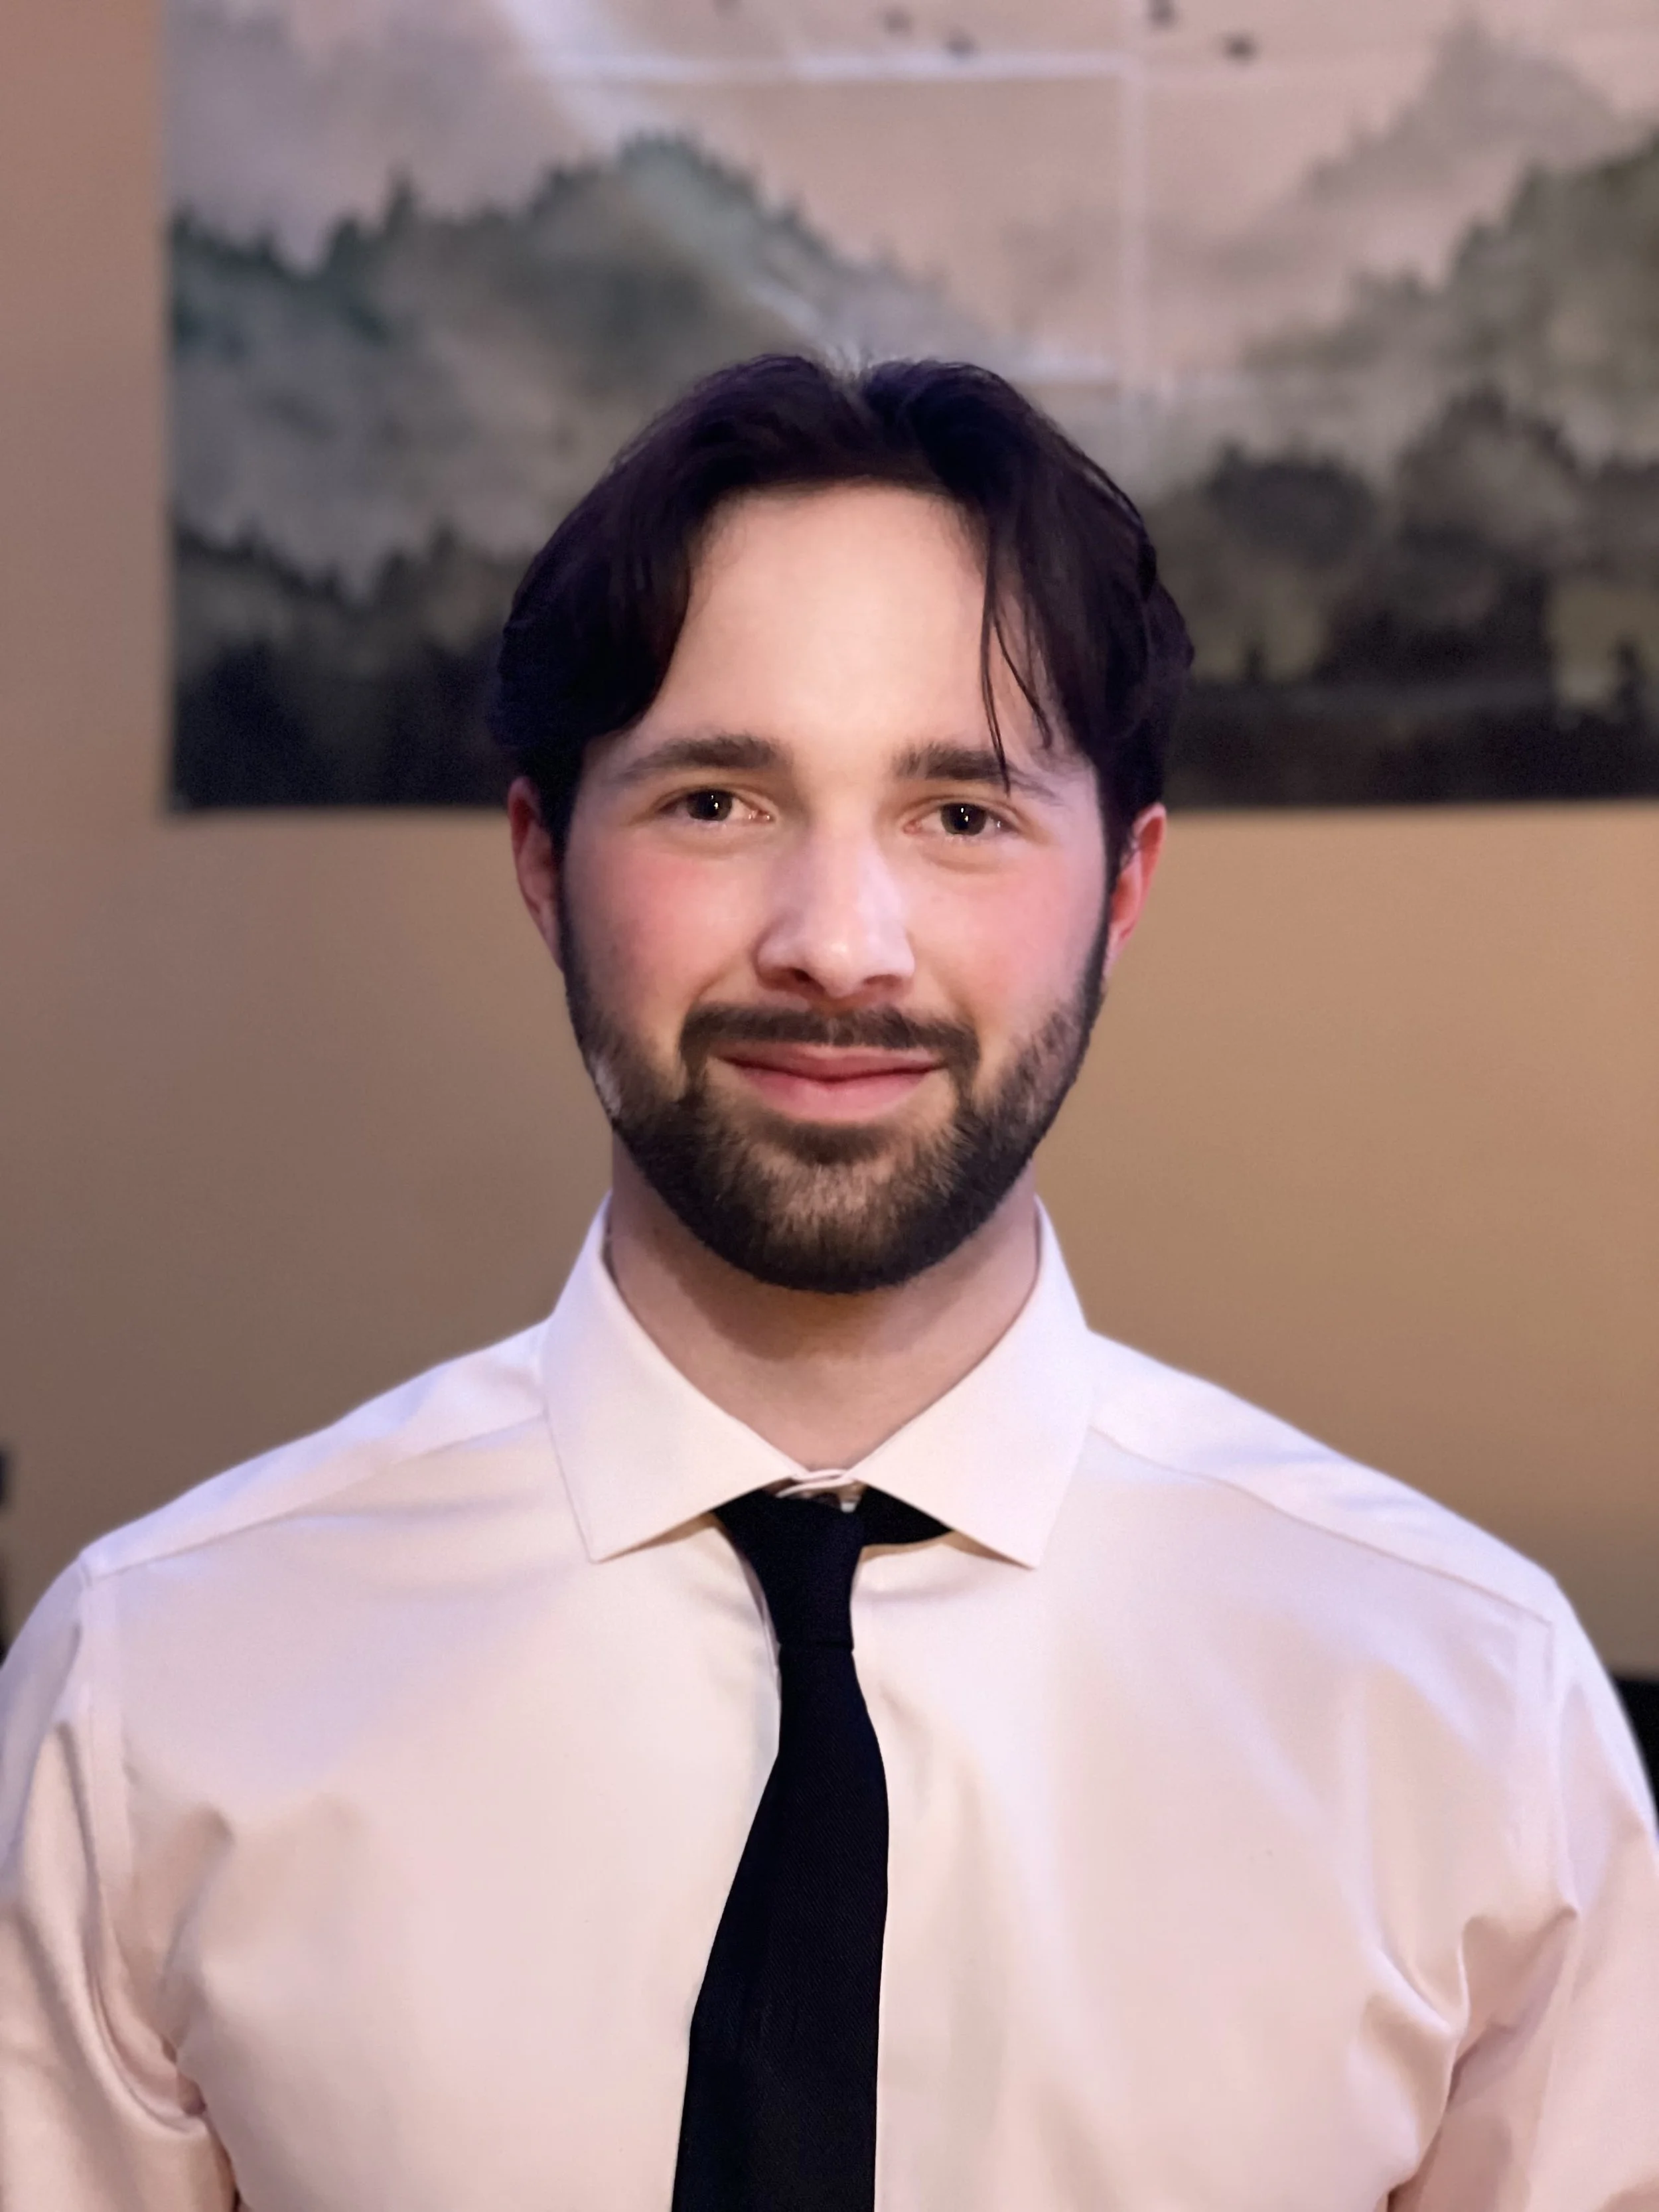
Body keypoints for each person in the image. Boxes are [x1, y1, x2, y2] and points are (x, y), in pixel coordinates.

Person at [2, 356, 1656, 2212]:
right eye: (717, 801)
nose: (837, 947)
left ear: (1122, 887)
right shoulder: (154, 1687)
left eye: (960, 815)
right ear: (545, 863)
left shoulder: (1467, 1712)